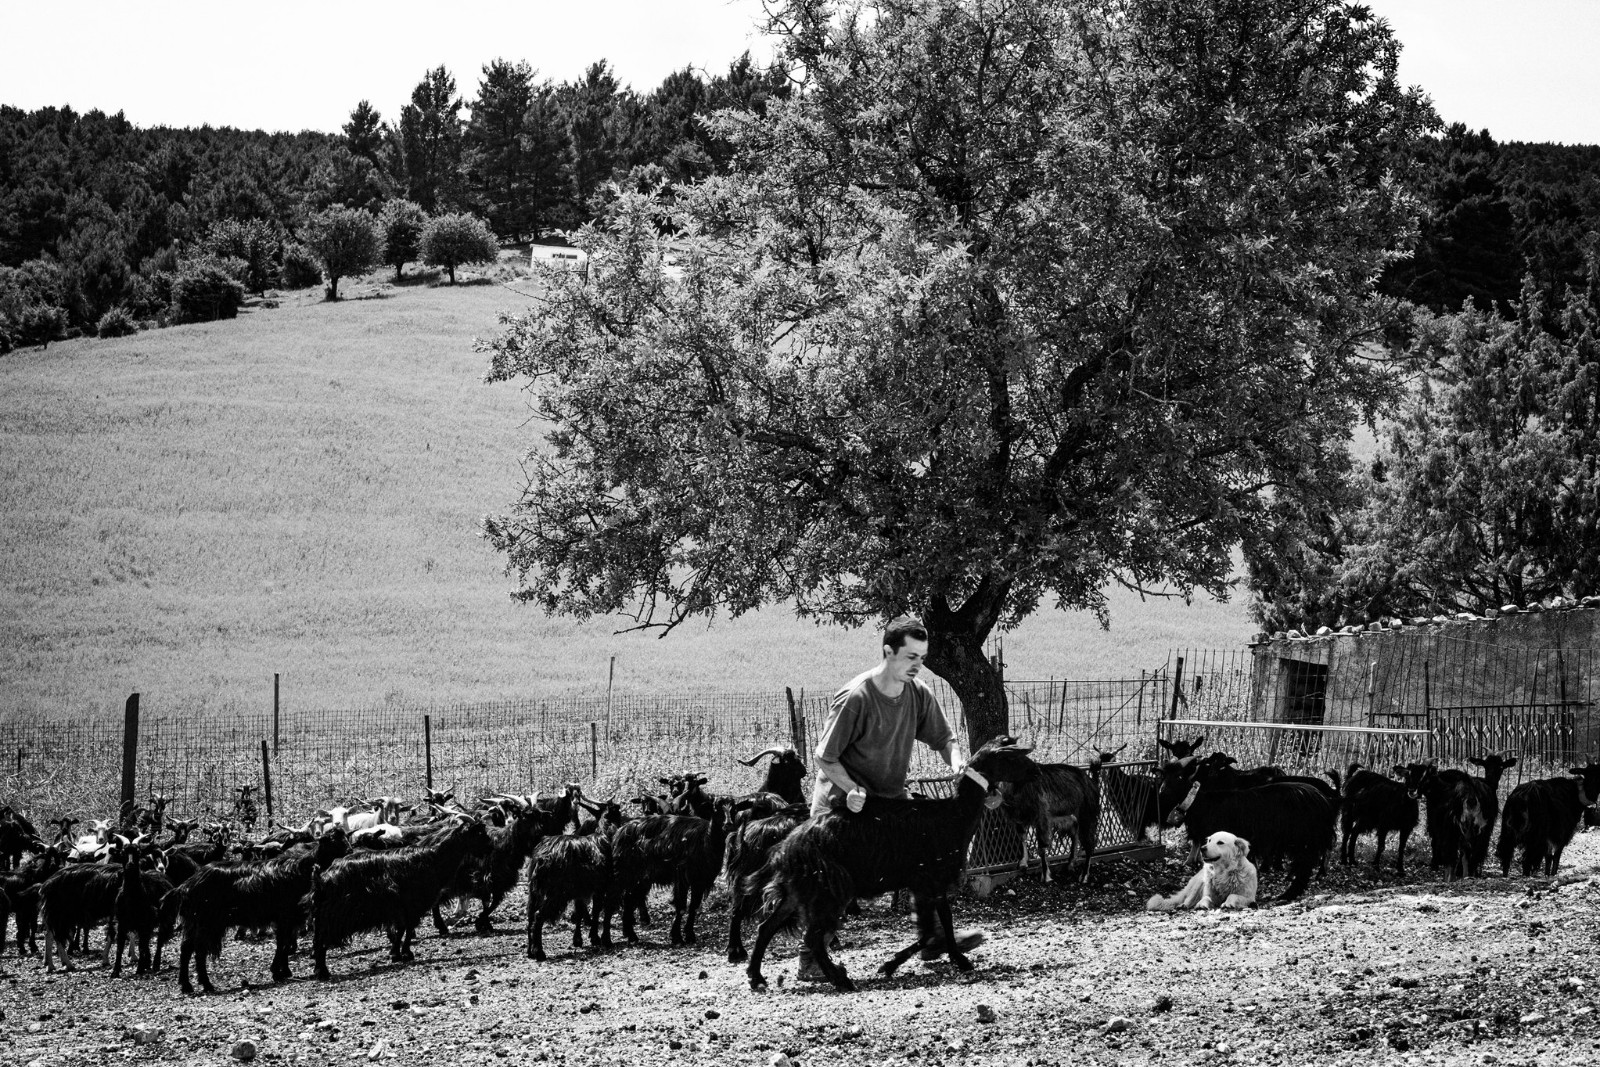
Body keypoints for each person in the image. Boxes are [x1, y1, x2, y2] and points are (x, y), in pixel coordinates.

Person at [799, 614, 984, 980]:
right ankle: (810, 958)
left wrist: (957, 762)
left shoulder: (918, 693)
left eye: (922, 657)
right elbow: (824, 756)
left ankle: (932, 937)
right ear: (888, 652)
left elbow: (945, 739)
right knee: (838, 885)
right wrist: (852, 789)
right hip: (843, 805)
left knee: (923, 857)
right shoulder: (857, 697)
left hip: (888, 803)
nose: (918, 665)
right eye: (911, 657)